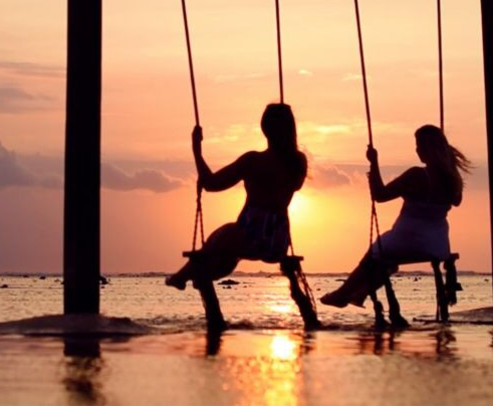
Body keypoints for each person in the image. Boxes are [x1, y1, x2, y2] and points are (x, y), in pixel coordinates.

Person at [166, 103, 319, 330]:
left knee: (226, 234)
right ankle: (191, 276)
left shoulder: (253, 161)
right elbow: (288, 185)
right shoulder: (298, 162)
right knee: (223, 241)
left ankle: (184, 276)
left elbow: (211, 183)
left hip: (250, 235)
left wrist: (196, 151)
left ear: (264, 128)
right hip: (277, 241)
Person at [320, 124, 470, 310]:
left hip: (408, 239)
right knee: (386, 257)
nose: (417, 150)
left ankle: (342, 294)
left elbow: (380, 195)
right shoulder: (452, 179)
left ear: (429, 148)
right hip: (437, 244)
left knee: (378, 252)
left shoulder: (417, 175)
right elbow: (456, 202)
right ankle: (360, 293)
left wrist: (373, 163)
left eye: (420, 145)